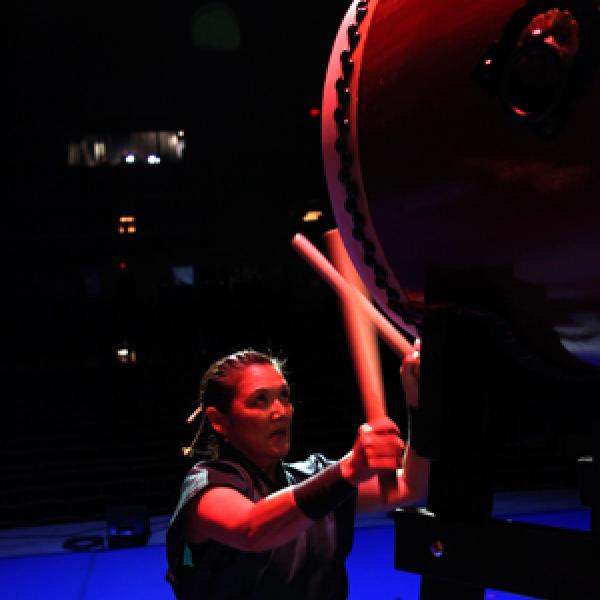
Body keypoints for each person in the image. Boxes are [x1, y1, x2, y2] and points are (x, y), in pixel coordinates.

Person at [166, 346, 429, 600]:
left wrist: (418, 401)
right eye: (260, 401)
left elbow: (409, 486)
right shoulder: (205, 486)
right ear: (219, 420)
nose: (280, 412)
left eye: (284, 396)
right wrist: (349, 469)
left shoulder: (314, 476)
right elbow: (252, 529)